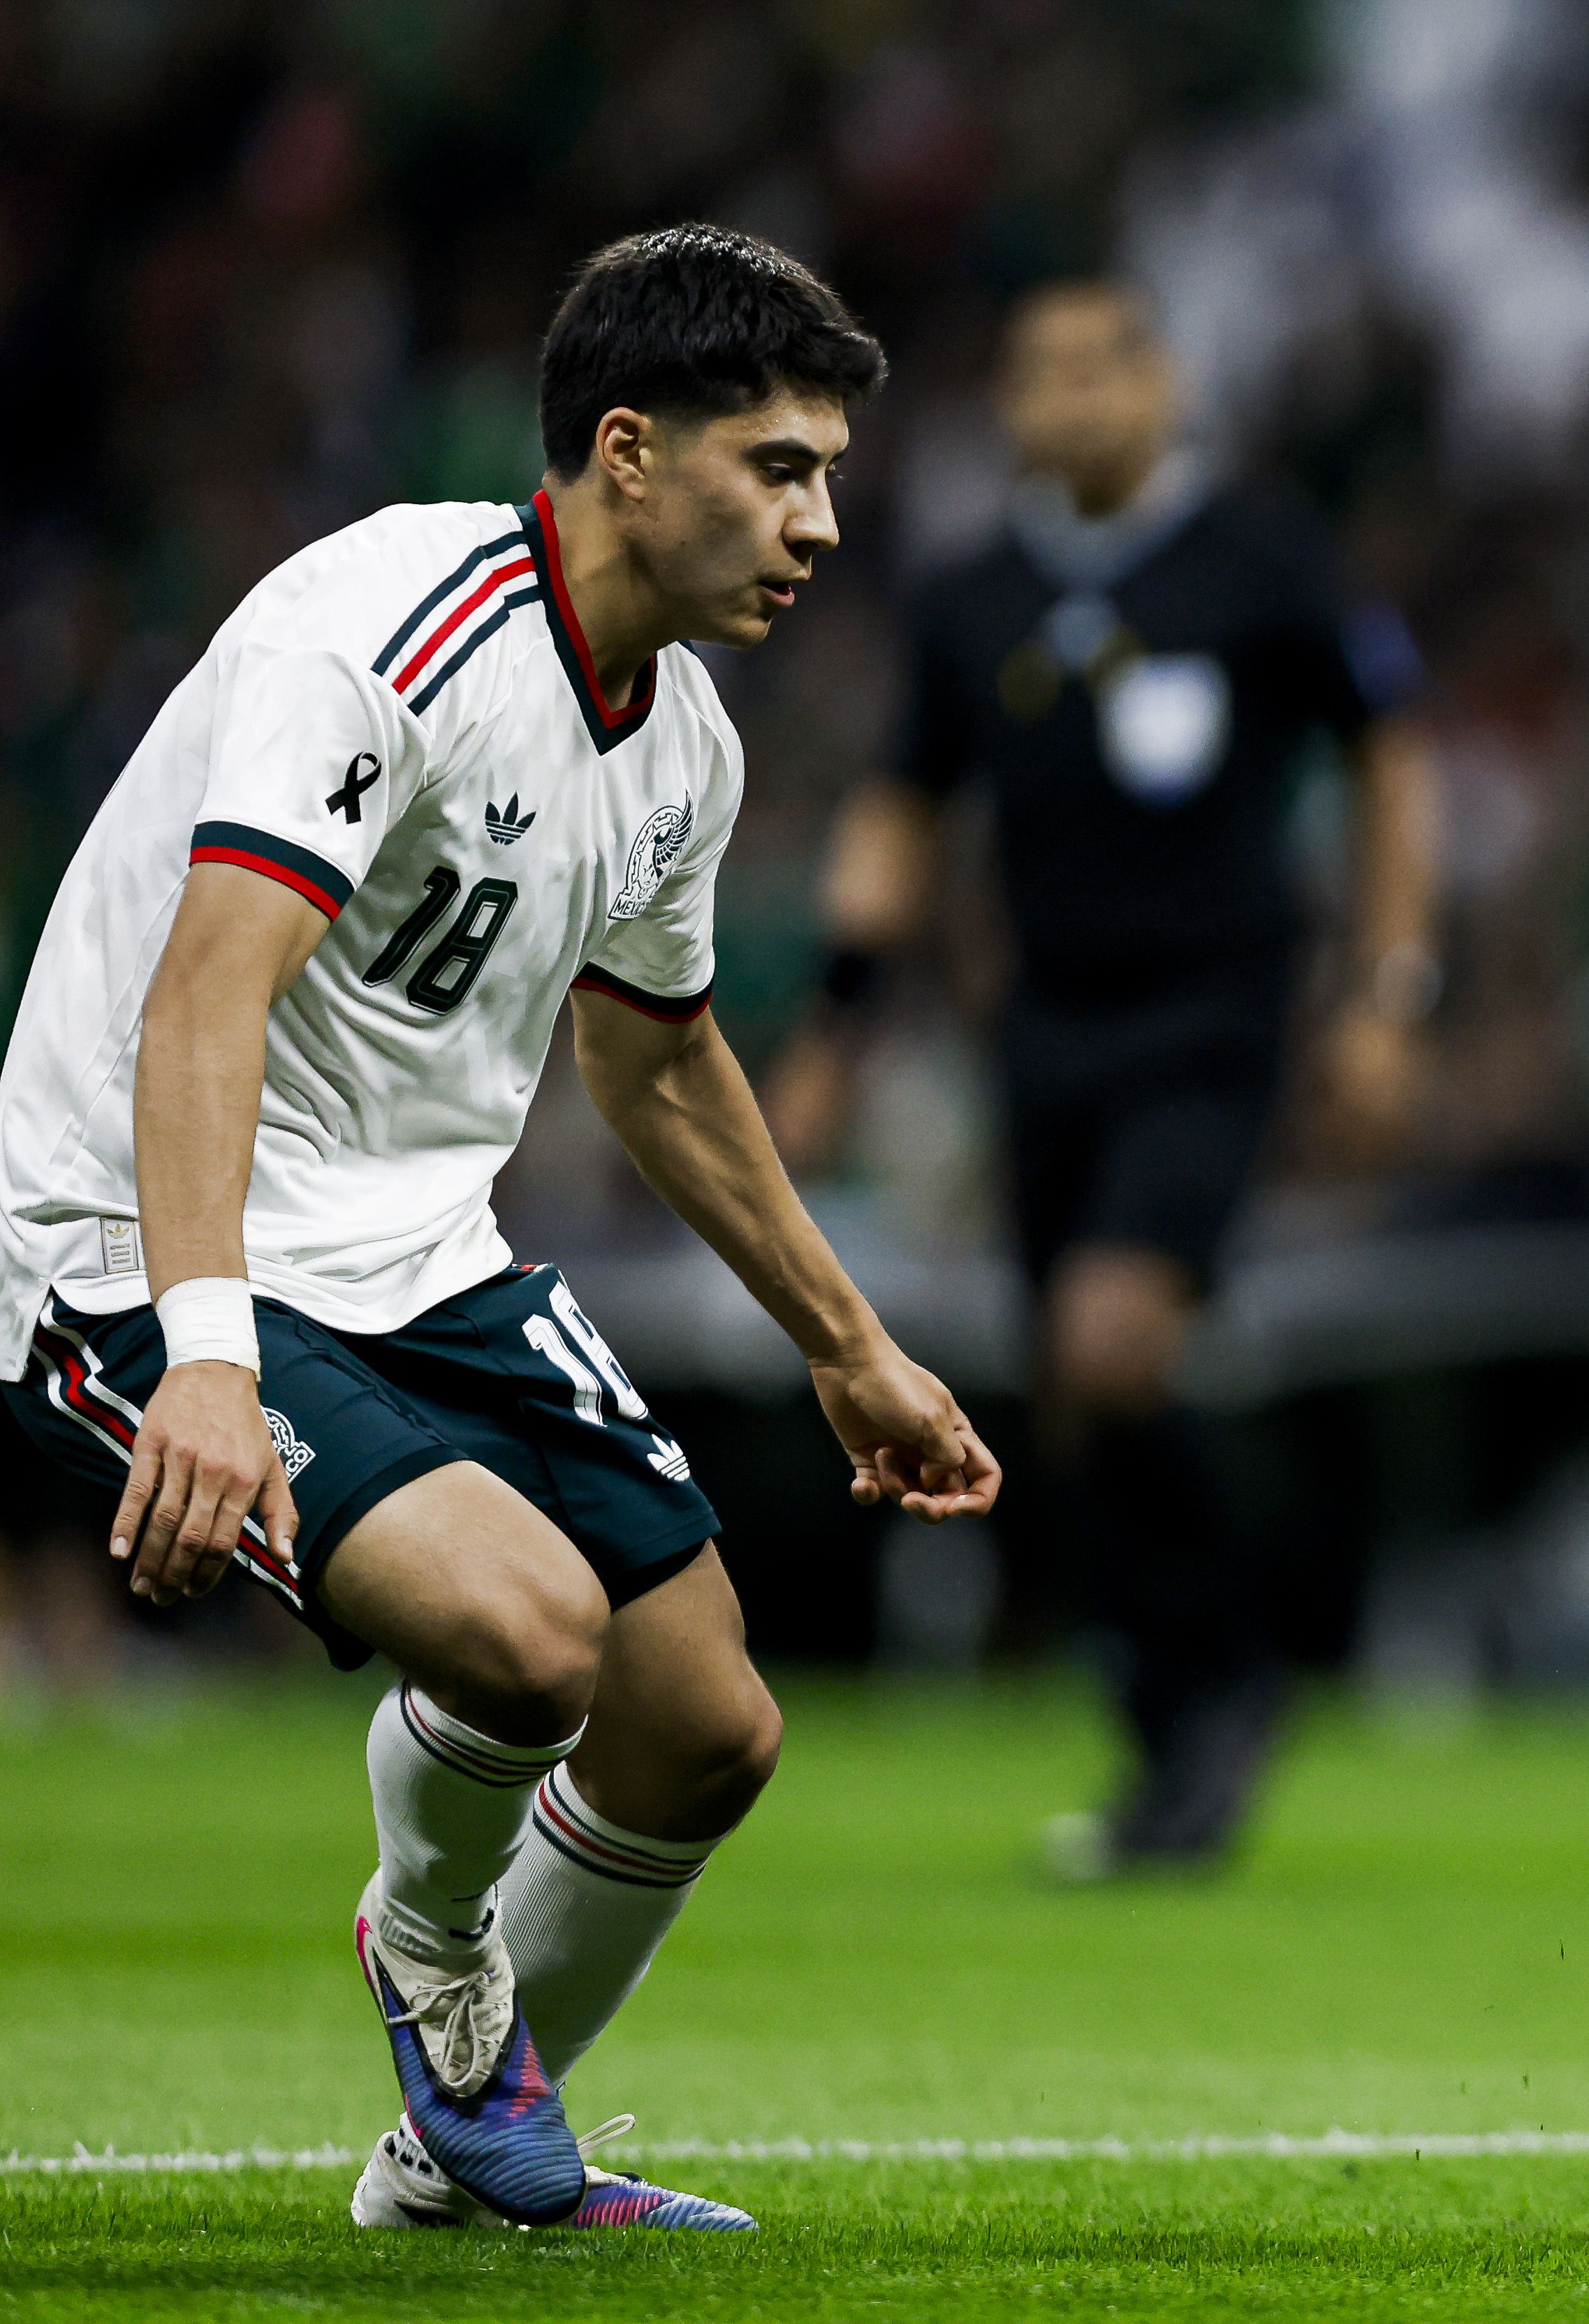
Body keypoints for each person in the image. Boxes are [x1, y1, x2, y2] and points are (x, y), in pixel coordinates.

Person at [0, 225, 1002, 2234]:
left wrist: (846, 1341)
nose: (821, 522)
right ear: (626, 451)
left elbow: (659, 1066)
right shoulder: (380, 630)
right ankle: (432, 1951)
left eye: (829, 474)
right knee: (531, 1637)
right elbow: (210, 1000)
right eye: (779, 467)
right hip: (140, 1231)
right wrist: (200, 1351)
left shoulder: (682, 740)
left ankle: (440, 2183)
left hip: (418, 1255)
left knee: (707, 1727)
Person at [771, 278, 1435, 1876]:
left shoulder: (1263, 555)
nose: (1066, 400)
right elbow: (901, 810)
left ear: (1164, 381)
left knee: (1114, 1341)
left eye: (1096, 368)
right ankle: (1165, 1724)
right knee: (1072, 1395)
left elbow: (1387, 756)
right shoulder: (971, 590)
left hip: (1216, 1012)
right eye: (1037, 372)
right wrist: (835, 1025)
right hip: (1045, 1025)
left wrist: (1386, 990)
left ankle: (1232, 1673)